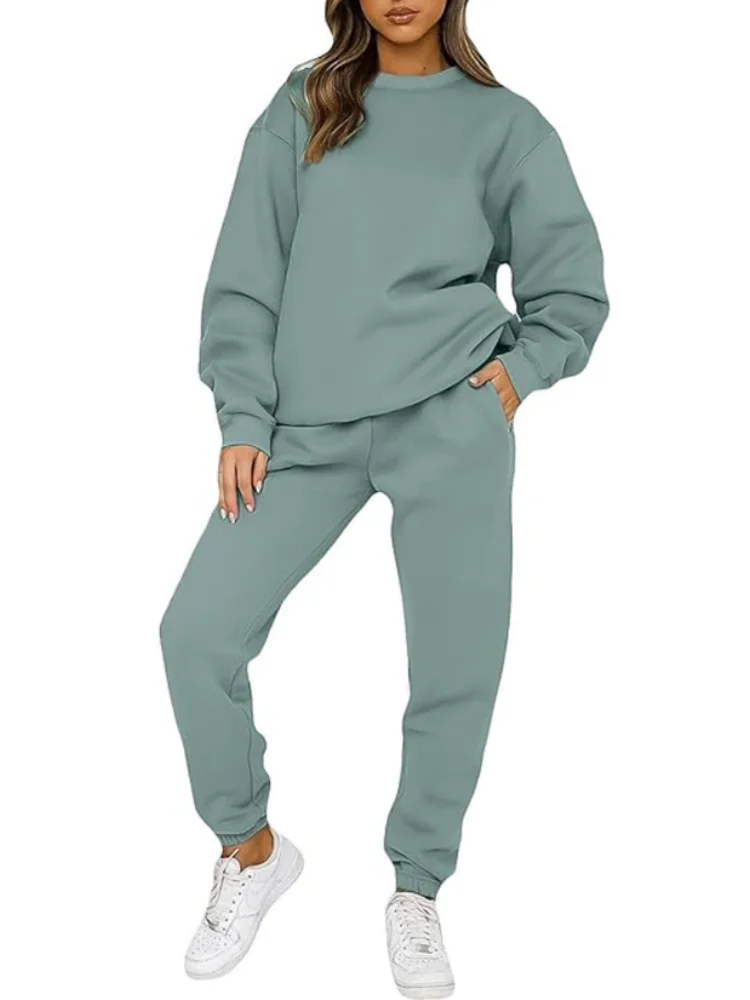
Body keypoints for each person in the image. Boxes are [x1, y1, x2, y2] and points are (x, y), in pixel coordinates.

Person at [159, 0, 608, 994]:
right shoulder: (305, 105)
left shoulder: (508, 126)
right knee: (196, 632)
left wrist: (517, 375)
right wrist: (243, 416)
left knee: (457, 661)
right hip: (304, 430)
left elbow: (572, 289)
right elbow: (247, 272)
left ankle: (418, 886)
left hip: (450, 418)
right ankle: (251, 848)